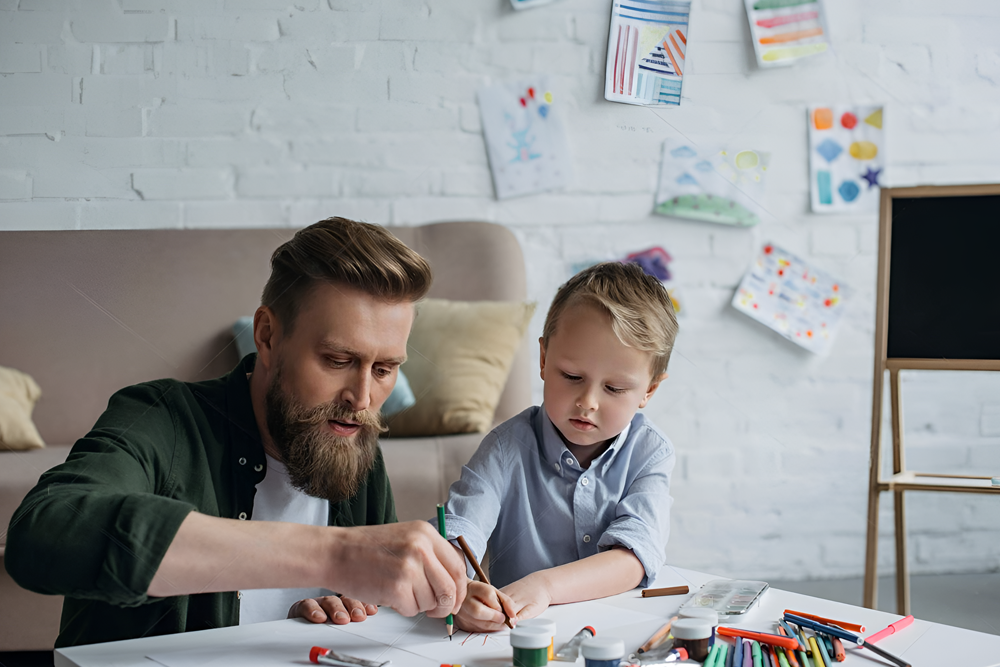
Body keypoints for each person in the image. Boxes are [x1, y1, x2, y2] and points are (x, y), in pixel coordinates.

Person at [6, 218, 468, 648]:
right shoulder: (163, 415)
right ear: (267, 336)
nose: (362, 398)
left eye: (384, 369)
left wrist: (336, 617)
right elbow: (45, 533)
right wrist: (337, 555)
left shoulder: (351, 442)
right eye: (337, 360)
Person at [437, 261, 678, 633]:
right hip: (518, 635)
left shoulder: (650, 453)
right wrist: (457, 587)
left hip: (616, 633)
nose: (588, 402)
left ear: (649, 390)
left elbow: (633, 559)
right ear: (545, 359)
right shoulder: (505, 448)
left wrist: (545, 586)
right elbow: (459, 533)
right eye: (572, 377)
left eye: (614, 389)